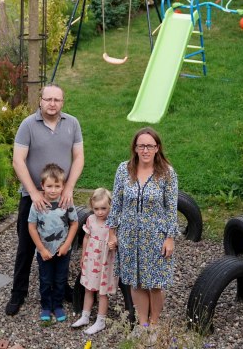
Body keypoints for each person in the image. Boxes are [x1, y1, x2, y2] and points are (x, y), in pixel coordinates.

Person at [6, 83, 84, 316]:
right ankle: (18, 293)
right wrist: (33, 192)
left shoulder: (72, 124)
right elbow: (18, 160)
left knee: (61, 244)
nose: (52, 104)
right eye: (48, 99)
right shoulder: (28, 125)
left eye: (57, 100)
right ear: (40, 101)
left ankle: (61, 289)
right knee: (26, 247)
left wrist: (69, 187)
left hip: (61, 198)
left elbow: (79, 157)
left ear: (63, 102)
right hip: (34, 197)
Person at [106, 127, 178, 337]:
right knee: (135, 282)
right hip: (128, 236)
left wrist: (170, 238)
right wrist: (112, 233)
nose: (145, 150)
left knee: (154, 283)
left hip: (155, 237)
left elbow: (171, 209)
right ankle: (143, 324)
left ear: (157, 148)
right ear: (135, 148)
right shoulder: (123, 170)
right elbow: (116, 204)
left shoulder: (167, 173)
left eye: (150, 146)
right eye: (141, 146)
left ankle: (154, 324)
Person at [28, 163, 79, 325]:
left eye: (57, 186)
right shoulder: (37, 205)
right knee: (45, 279)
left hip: (63, 251)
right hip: (44, 252)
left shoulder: (66, 203)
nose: (53, 190)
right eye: (49, 186)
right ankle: (46, 306)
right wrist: (41, 249)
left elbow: (74, 224)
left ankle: (57, 305)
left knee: (60, 279)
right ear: (42, 186)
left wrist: (66, 245)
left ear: (63, 186)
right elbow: (32, 227)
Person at [71, 187, 116, 335]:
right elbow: (86, 237)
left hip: (105, 261)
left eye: (104, 208)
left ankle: (100, 321)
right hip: (91, 259)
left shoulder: (113, 222)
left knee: (102, 292)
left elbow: (116, 239)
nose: (100, 212)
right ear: (92, 207)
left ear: (110, 205)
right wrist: (83, 255)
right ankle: (85, 316)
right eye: (96, 209)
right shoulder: (90, 219)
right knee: (89, 288)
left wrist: (113, 243)